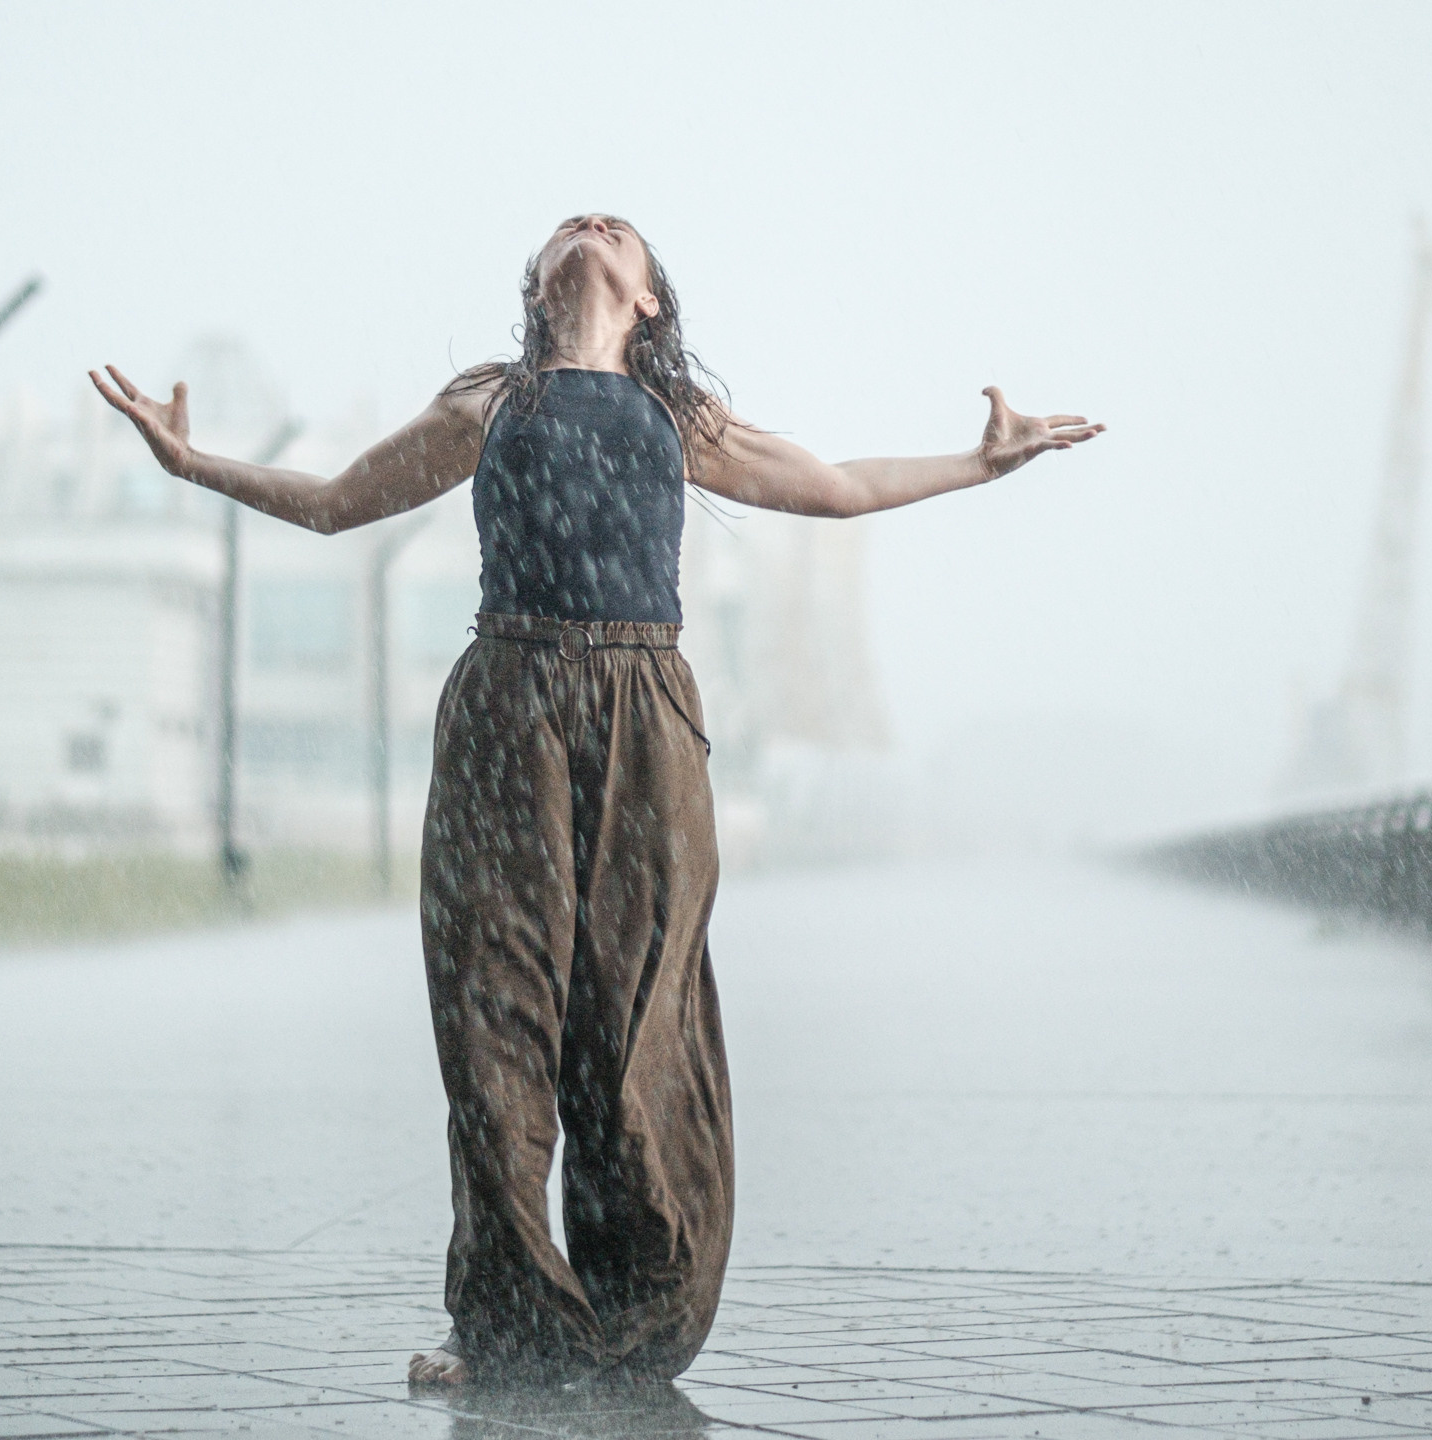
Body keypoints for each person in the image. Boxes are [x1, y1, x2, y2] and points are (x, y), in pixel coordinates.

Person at [90, 214, 1101, 1388]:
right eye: (576, 221)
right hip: (505, 707)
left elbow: (834, 489)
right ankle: (509, 1327)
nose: (592, 224)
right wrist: (189, 461)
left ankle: (633, 1316)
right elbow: (330, 503)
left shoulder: (678, 419)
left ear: (648, 302)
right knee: (495, 1017)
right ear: (544, 283)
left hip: (645, 718)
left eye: (617, 228)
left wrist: (982, 462)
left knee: (636, 1028)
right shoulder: (489, 402)